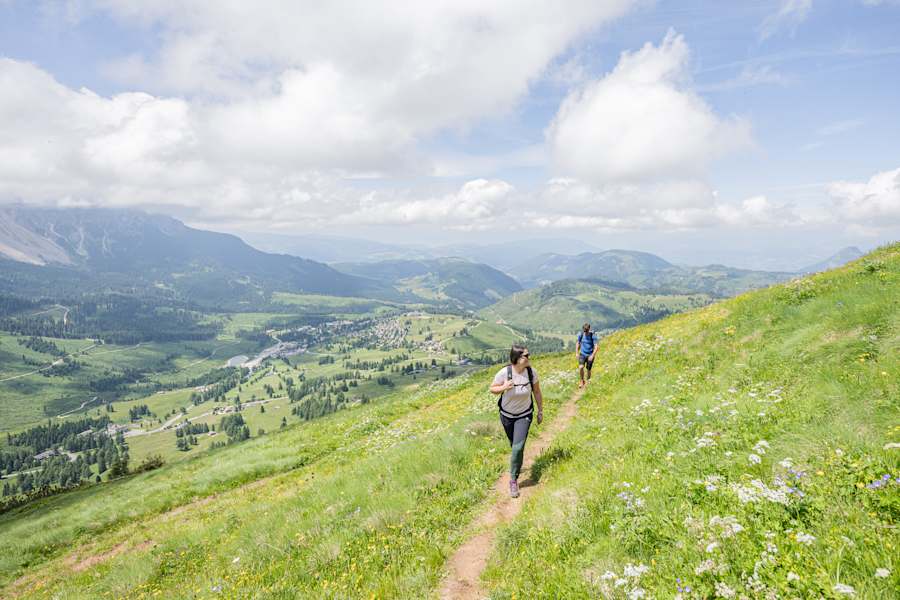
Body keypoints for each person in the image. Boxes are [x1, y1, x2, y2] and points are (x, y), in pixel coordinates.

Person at [489, 344, 543, 498]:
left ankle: (513, 480)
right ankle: (516, 462)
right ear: (518, 358)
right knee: (514, 446)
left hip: (524, 415)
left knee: (517, 448)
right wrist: (504, 387)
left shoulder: (532, 373)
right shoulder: (504, 373)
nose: (529, 357)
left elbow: (537, 392)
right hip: (506, 416)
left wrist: (540, 411)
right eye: (526, 355)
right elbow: (492, 388)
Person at [576, 323, 597, 388]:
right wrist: (576, 352)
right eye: (585, 331)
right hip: (582, 354)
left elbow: (596, 346)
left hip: (590, 354)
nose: (586, 332)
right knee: (581, 367)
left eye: (587, 331)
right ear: (583, 330)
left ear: (589, 329)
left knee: (588, 369)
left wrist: (592, 355)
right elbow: (578, 343)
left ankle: (588, 382)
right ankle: (582, 381)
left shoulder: (593, 336)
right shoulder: (581, 335)